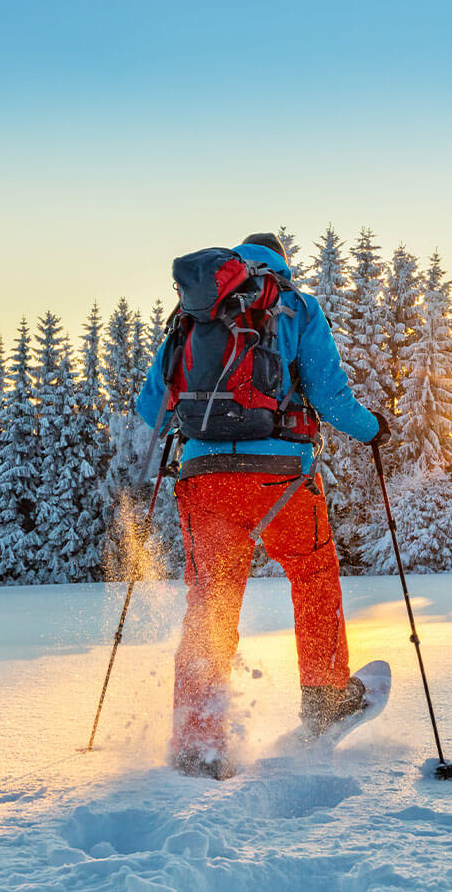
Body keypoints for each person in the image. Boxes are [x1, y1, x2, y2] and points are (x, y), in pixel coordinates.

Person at [136, 232, 390, 779]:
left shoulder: (193, 314)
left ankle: (199, 741)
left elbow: (151, 405)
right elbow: (328, 395)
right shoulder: (295, 305)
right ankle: (325, 698)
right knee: (313, 574)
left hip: (204, 480)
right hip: (283, 479)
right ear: (281, 265)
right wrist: (372, 430)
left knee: (211, 601)